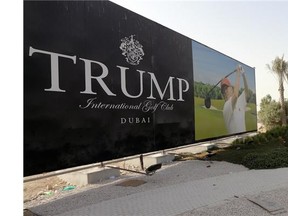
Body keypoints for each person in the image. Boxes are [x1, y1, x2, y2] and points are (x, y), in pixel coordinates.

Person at [221, 65, 249, 134]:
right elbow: (235, 95)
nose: (232, 87)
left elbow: (247, 92)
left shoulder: (239, 101)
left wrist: (243, 75)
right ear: (226, 91)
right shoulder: (226, 106)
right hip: (234, 141)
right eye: (230, 86)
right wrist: (238, 74)